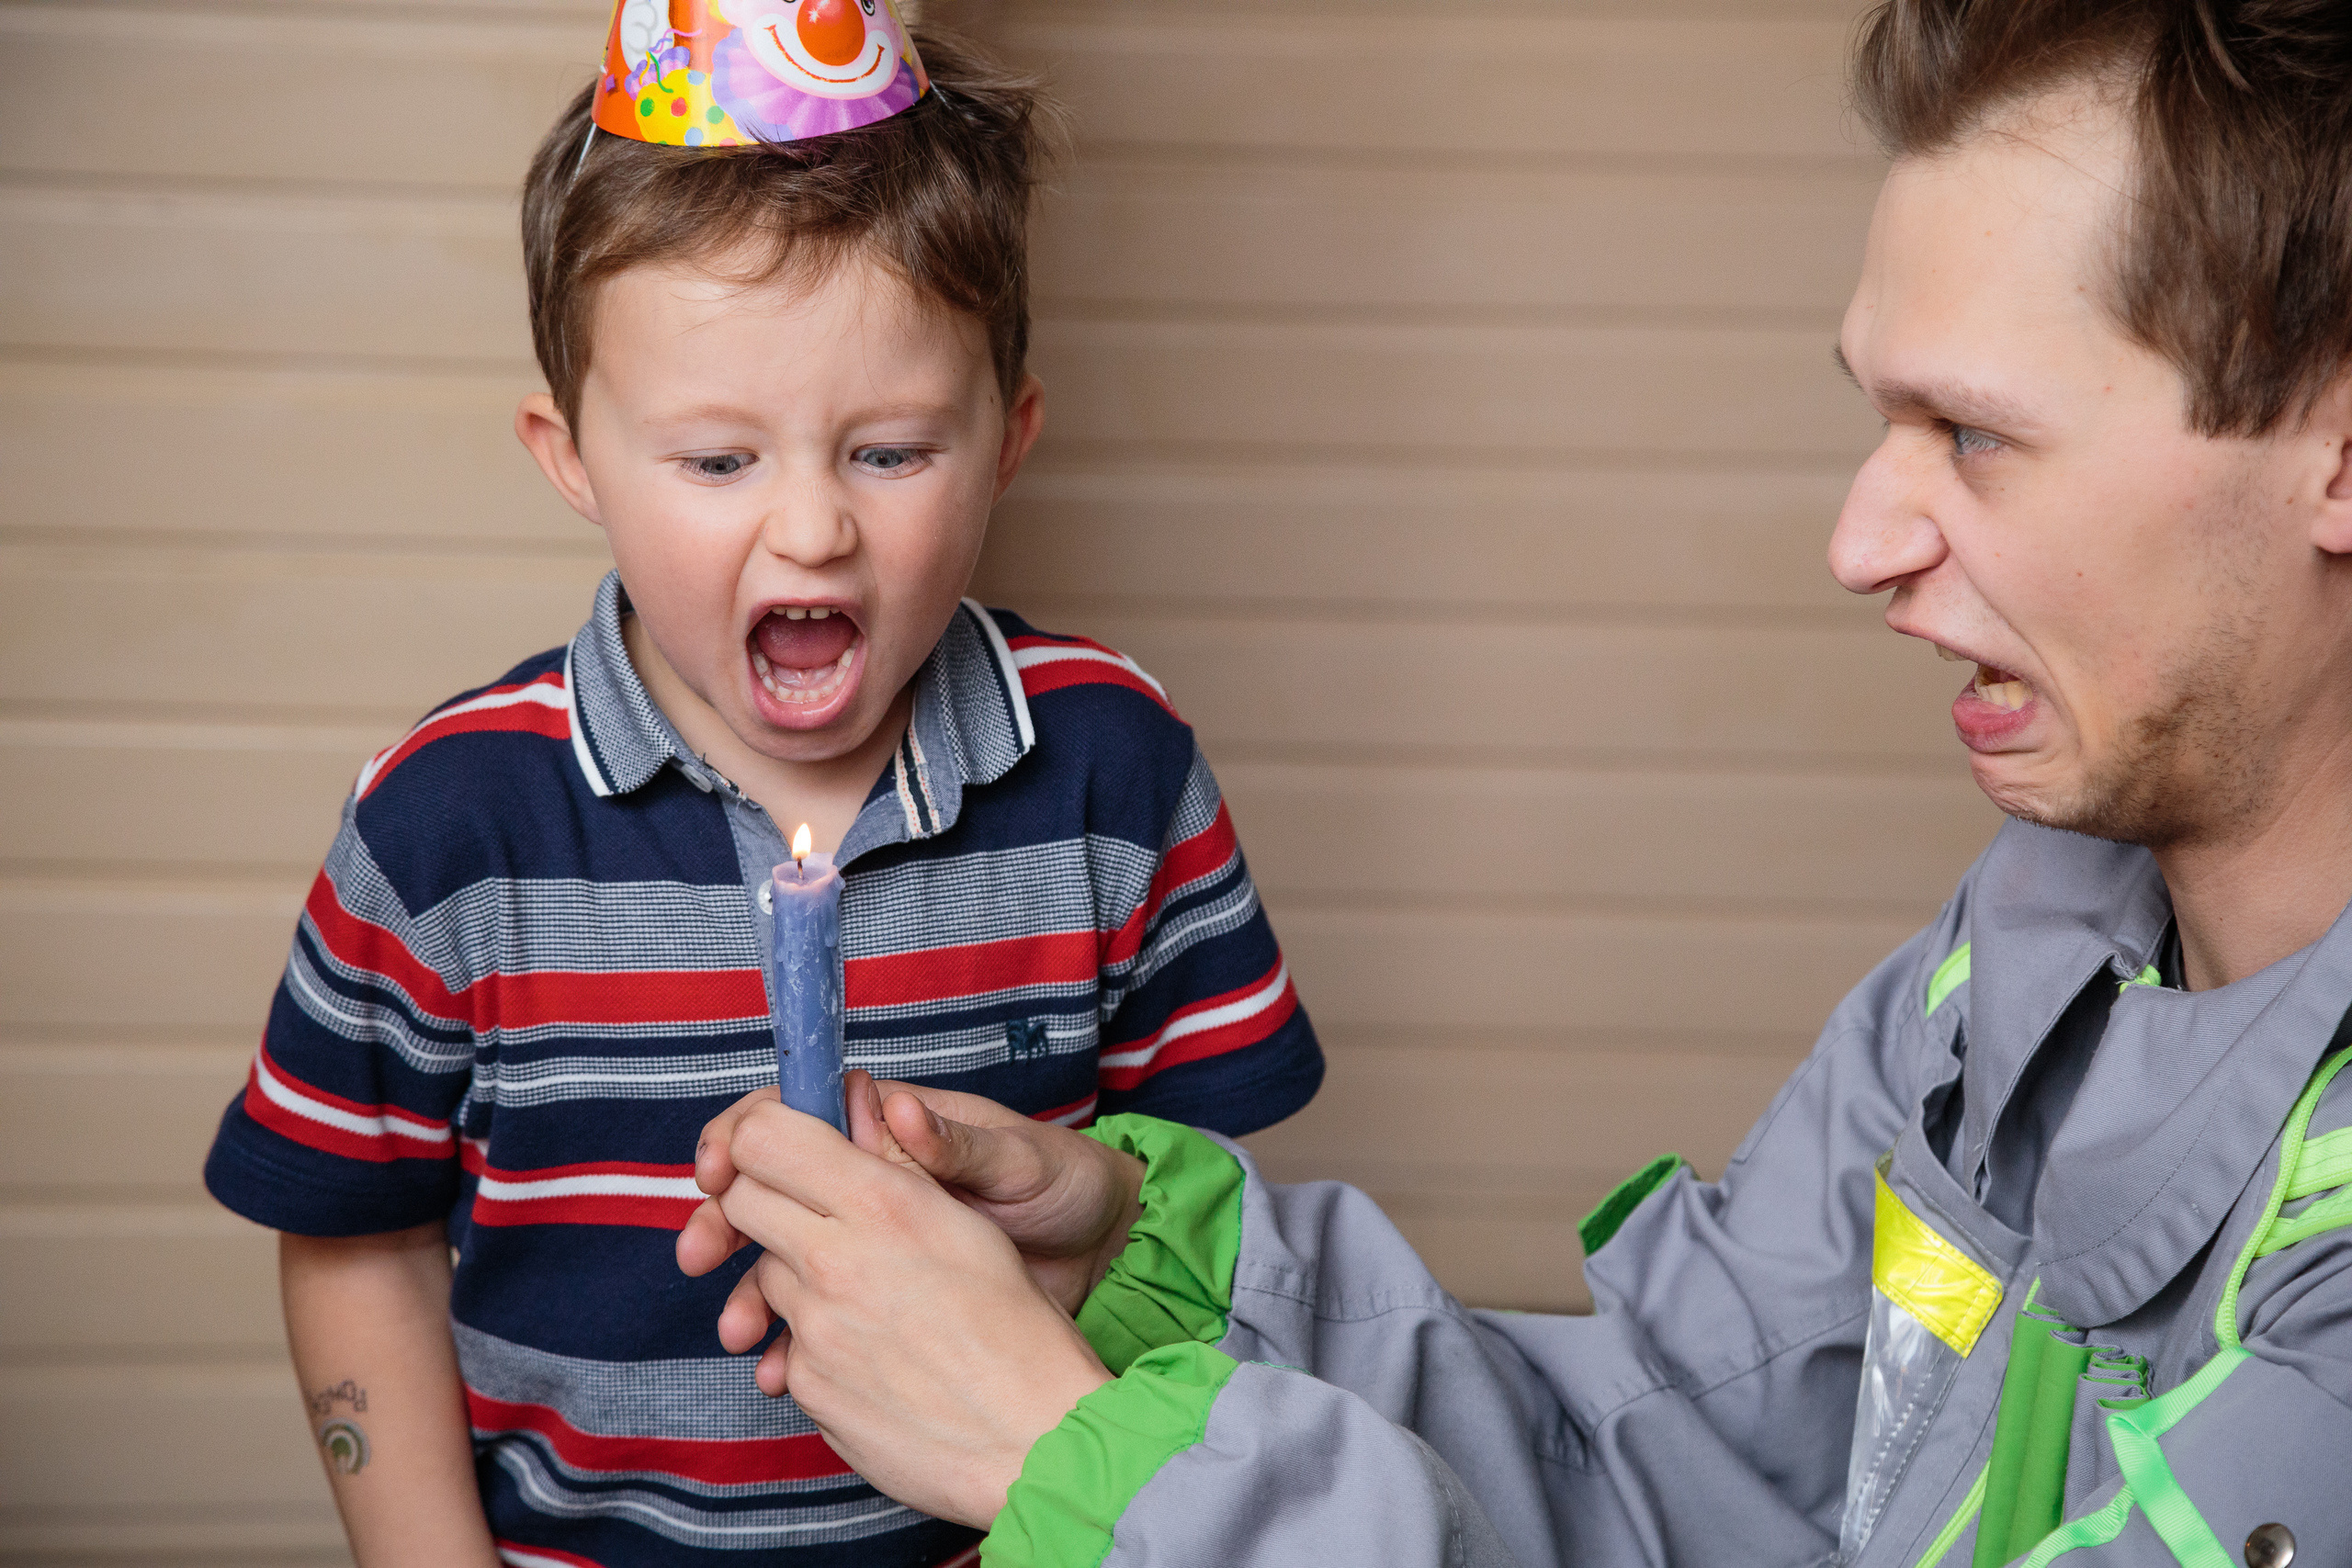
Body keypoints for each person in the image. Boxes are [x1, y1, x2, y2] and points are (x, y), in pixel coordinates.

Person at [679, 2, 2352, 1564]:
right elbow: (1657, 1455)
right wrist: (1157, 1276)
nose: (1859, 544)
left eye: (1976, 436)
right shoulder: (2017, 959)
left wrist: (1107, 1476)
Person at [198, 8, 1323, 1565]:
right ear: (572, 454)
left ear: (1011, 440)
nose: (810, 532)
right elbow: (350, 1234)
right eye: (718, 461)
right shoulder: (444, 827)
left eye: (890, 452)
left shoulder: (1114, 773)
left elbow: (1217, 1219)